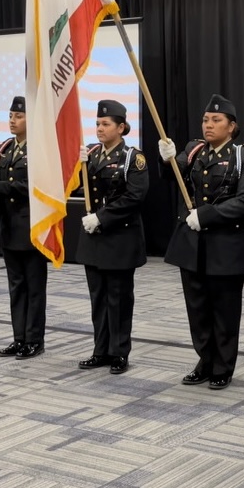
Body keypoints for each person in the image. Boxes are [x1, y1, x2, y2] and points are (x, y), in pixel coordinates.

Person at [157, 94, 244, 390]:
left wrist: (208, 215)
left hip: (226, 245)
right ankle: (205, 360)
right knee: (198, 309)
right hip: (192, 245)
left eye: (216, 120)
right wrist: (165, 158)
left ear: (231, 126)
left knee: (224, 310)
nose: (209, 125)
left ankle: (223, 366)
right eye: (206, 120)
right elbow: (172, 176)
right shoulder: (194, 151)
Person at [75, 100, 149, 372]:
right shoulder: (93, 155)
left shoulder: (132, 158)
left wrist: (102, 217)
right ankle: (101, 350)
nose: (99, 128)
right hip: (95, 239)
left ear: (121, 127)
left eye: (105, 124)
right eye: (97, 124)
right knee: (98, 298)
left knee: (118, 298)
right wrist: (77, 167)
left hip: (120, 239)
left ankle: (119, 352)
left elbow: (135, 196)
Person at [0, 96, 47, 359]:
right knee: (16, 286)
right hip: (9, 229)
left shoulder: (40, 150)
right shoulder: (5, 149)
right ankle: (19, 338)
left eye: (19, 116)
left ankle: (34, 340)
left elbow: (35, 188)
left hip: (31, 227)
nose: (12, 121)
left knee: (34, 287)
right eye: (10, 116)